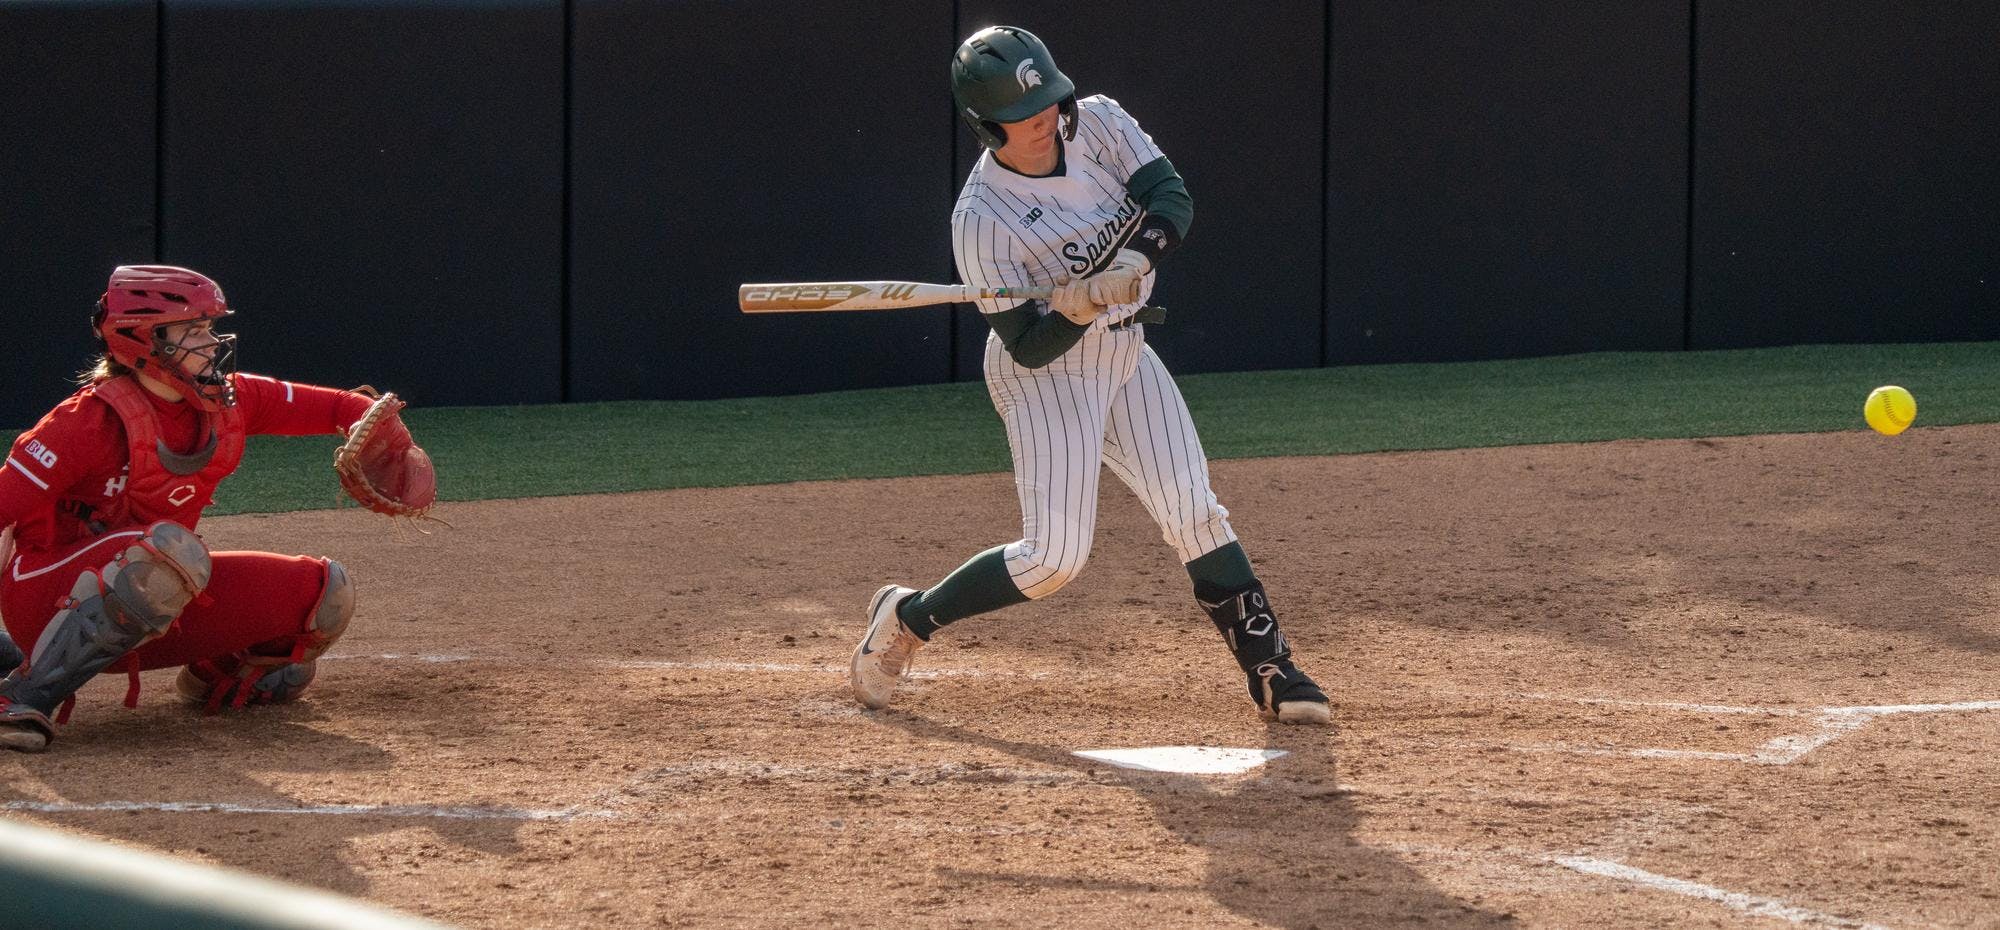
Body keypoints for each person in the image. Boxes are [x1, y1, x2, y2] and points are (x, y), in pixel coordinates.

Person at [850, 27, 1331, 725]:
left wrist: (1132, 264)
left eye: (1047, 103)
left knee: (1192, 508)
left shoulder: (1099, 121)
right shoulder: (982, 223)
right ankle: (909, 618)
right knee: (1054, 559)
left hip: (1126, 349)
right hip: (1046, 378)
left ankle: (1273, 671)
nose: (1046, 122)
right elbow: (1029, 345)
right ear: (986, 128)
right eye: (1025, 116)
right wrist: (1072, 310)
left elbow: (1171, 198)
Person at [0, 265, 425, 752]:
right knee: (168, 552)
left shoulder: (227, 399)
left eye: (209, 328)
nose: (211, 342)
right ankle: (21, 695)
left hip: (153, 592)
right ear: (144, 340)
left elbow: (342, 408)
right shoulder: (82, 423)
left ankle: (213, 676)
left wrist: (389, 439)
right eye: (193, 330)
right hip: (44, 604)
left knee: (324, 593)